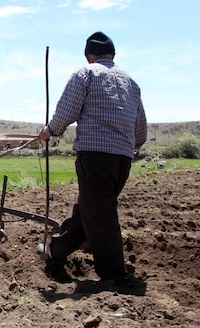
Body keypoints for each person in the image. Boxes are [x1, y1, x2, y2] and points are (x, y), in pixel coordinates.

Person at [37, 31, 147, 286]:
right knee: (92, 209)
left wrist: (50, 131)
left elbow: (67, 110)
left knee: (101, 215)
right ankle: (58, 251)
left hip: (95, 158)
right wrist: (129, 147)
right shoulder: (131, 82)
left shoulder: (85, 74)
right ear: (112, 54)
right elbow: (140, 129)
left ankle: (114, 277)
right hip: (122, 160)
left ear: (88, 56)